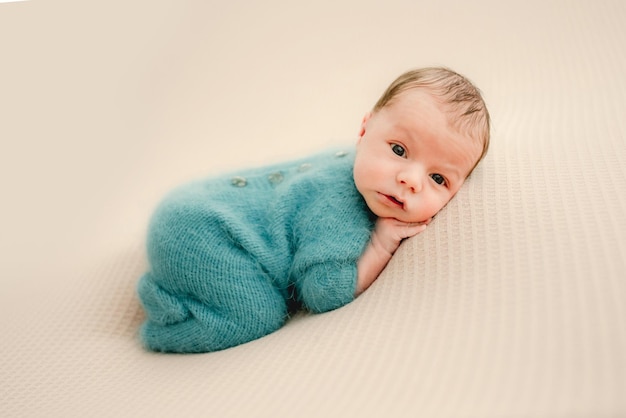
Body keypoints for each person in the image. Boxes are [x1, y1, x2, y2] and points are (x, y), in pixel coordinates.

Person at [137, 67, 491, 353]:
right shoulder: (340, 209)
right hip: (203, 231)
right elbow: (325, 292)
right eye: (399, 150)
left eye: (438, 178)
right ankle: (167, 316)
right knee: (257, 315)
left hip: (196, 209)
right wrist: (381, 245)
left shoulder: (364, 167)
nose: (411, 180)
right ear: (365, 129)